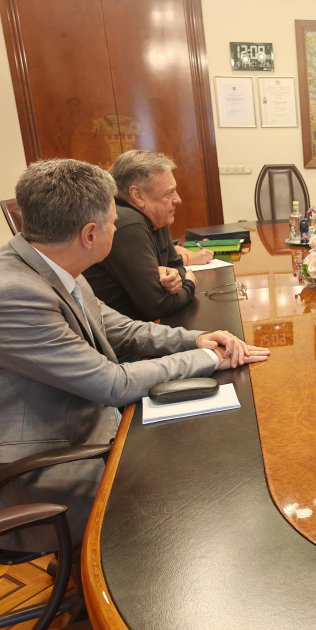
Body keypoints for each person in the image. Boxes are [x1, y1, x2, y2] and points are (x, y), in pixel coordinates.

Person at [0, 158, 270, 550]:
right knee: (201, 491)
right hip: (50, 467)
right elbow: (111, 383)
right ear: (90, 234)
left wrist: (197, 340)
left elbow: (123, 329)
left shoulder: (54, 265)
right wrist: (212, 359)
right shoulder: (15, 294)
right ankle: (107, 580)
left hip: (89, 427)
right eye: (113, 221)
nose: (118, 227)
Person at [83, 150, 201, 321]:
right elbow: (158, 306)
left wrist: (175, 278)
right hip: (122, 332)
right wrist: (189, 285)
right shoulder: (127, 224)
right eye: (169, 193)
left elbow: (176, 265)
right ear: (138, 195)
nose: (178, 199)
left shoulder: (156, 217)